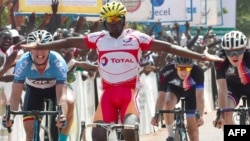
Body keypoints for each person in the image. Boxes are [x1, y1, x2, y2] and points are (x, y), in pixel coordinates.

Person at [20, 2, 223, 141]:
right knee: (97, 135)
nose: (113, 24)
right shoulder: (99, 37)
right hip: (108, 94)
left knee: (129, 130)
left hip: (128, 94)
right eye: (109, 21)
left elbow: (169, 48)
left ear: (124, 20)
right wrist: (41, 44)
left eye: (117, 20)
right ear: (106, 22)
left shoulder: (136, 38)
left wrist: (202, 57)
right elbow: (69, 41)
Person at [3, 30, 75, 141]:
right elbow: (15, 95)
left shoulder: (58, 62)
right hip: (34, 91)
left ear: (50, 48)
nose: (39, 53)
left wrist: (62, 115)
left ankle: (63, 139)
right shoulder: (23, 62)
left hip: (55, 89)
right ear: (29, 49)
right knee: (30, 135)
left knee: (70, 101)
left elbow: (62, 96)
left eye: (43, 48)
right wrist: (10, 116)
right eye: (36, 48)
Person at [151, 56, 205, 141]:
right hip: (174, 90)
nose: (184, 72)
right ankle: (171, 135)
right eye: (181, 68)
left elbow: (200, 97)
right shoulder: (167, 71)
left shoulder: (198, 71)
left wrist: (200, 115)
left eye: (187, 68)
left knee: (193, 132)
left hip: (191, 94)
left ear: (191, 67)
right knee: (168, 103)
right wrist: (157, 114)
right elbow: (161, 97)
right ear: (176, 66)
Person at [213, 30, 249, 129]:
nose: (234, 56)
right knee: (225, 114)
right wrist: (221, 112)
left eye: (238, 51)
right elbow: (222, 88)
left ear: (244, 49)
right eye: (229, 52)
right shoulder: (220, 59)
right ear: (225, 52)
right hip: (232, 88)